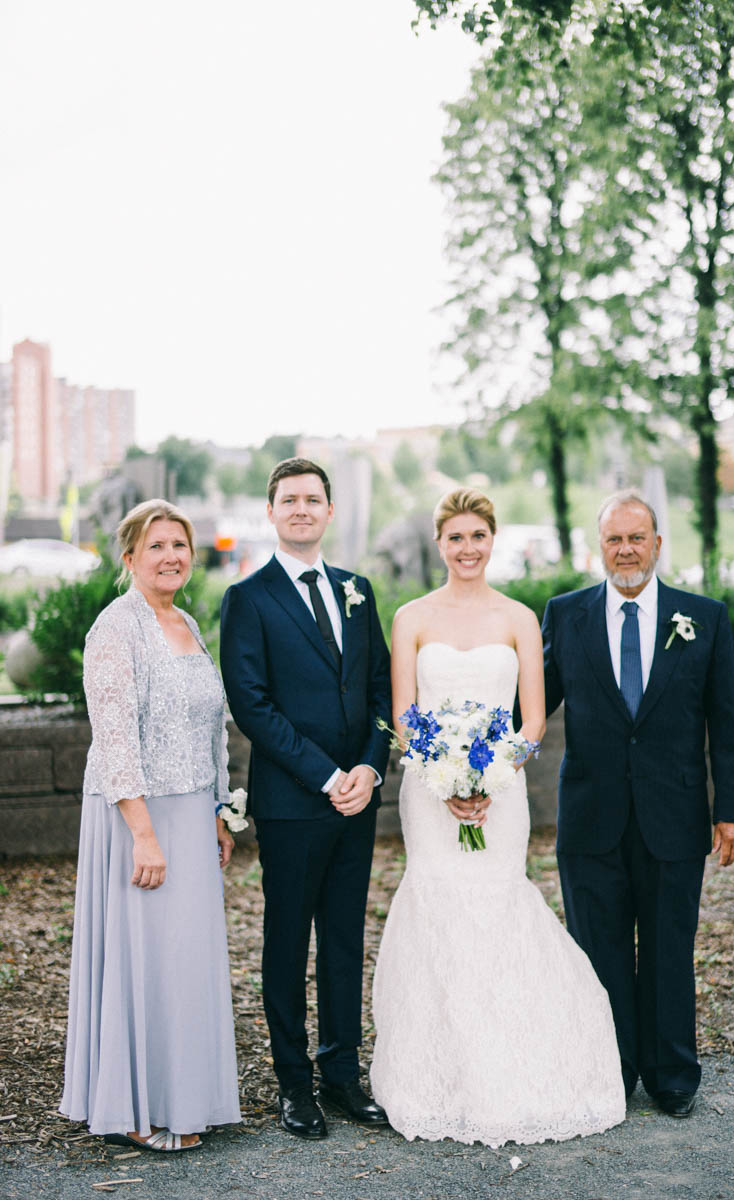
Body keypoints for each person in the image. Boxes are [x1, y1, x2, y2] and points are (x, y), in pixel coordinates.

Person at [370, 488, 626, 1147]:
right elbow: (404, 715)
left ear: (493, 539)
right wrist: (442, 775)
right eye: (454, 537)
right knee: (442, 910)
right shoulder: (411, 618)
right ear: (439, 544)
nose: (466, 548)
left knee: (498, 908)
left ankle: (517, 1067)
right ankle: (443, 1076)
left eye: (477, 536)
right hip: (430, 795)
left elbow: (534, 720)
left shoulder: (517, 617)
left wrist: (491, 775)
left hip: (502, 792)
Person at [541, 490, 734, 1118]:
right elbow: (533, 708)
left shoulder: (703, 618)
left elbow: (728, 722)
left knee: (668, 948)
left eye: (637, 537)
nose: (626, 549)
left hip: (674, 815)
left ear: (658, 545)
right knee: (598, 950)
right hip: (590, 817)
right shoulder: (565, 614)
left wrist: (733, 809)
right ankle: (611, 1070)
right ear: (598, 546)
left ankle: (671, 1074)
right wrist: (479, 760)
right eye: (614, 539)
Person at [60, 499, 241, 1151]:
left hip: (192, 813)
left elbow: (211, 727)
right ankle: (132, 1109)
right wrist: (142, 832)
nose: (171, 556)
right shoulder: (116, 628)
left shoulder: (186, 621)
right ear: (130, 557)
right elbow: (113, 740)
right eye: (156, 546)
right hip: (138, 815)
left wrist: (220, 808)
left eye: (180, 546)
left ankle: (183, 1096)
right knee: (144, 961)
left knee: (185, 961)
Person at [220, 457, 392, 1140]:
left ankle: (342, 1073)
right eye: (288, 500)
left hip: (358, 801)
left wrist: (371, 771)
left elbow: (381, 690)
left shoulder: (358, 589)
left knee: (346, 941)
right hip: (294, 803)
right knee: (288, 944)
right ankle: (295, 1085)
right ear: (270, 512)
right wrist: (327, 775)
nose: (301, 509)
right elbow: (252, 707)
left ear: (328, 511)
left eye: (312, 499)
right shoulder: (249, 597)